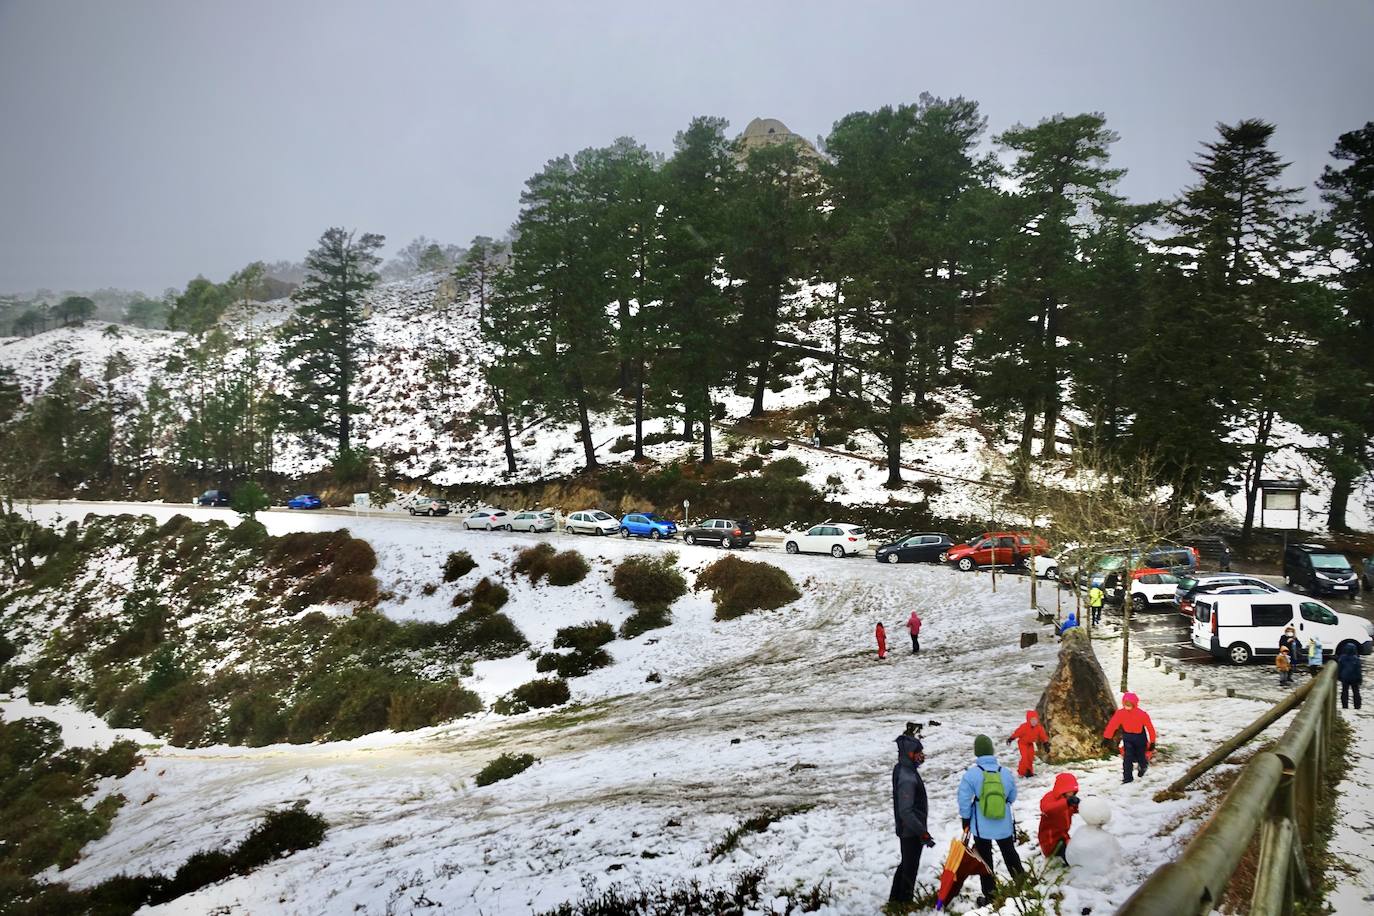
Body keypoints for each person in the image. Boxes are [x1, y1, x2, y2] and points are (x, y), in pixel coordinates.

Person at [957, 734, 1023, 905]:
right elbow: (1012, 796)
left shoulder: (971, 775)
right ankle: (1024, 887)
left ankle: (991, 896)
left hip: (981, 827)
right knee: (1010, 854)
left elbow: (964, 799)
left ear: (977, 752)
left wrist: (966, 819)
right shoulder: (1005, 773)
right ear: (992, 751)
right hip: (1003, 824)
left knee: (985, 861)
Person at [889, 724, 935, 904]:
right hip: (911, 831)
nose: (922, 756)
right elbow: (906, 811)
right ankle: (904, 904)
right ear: (910, 754)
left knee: (905, 864)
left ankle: (895, 901)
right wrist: (921, 832)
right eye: (918, 753)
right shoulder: (907, 778)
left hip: (909, 829)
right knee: (910, 868)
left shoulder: (902, 769)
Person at [1103, 691, 1157, 784]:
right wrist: (1107, 737)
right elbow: (1113, 725)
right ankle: (1127, 778)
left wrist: (1152, 742)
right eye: (1125, 704)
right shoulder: (1120, 713)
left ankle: (1143, 766)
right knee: (1127, 758)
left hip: (1140, 738)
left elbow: (1150, 728)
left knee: (1141, 756)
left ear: (1134, 704)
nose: (1127, 706)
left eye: (1129, 704)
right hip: (1128, 737)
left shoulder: (1142, 714)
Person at [1037, 773, 1081, 862]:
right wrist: (1066, 803)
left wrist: (1085, 804)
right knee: (1070, 857)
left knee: (1075, 851)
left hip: (1063, 836)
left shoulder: (1069, 799)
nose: (1071, 793)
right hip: (1050, 839)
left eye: (1073, 791)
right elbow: (1047, 809)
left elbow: (1075, 809)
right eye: (1069, 790)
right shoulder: (1049, 798)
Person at [1007, 710, 1049, 778]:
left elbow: (1043, 736)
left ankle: (1029, 771)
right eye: (1032, 720)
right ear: (1028, 720)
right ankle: (1023, 772)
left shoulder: (1039, 728)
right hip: (1022, 744)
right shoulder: (1024, 727)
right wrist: (1011, 739)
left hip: (1030, 744)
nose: (1034, 722)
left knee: (1030, 758)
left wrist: (1046, 744)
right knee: (1025, 758)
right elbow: (1017, 733)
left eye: (1035, 720)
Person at [1337, 642, 1362, 710]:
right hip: (1354, 678)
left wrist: (1339, 676)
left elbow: (1339, 668)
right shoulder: (1356, 659)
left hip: (1345, 677)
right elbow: (1358, 670)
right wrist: (1360, 679)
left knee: (1344, 691)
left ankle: (1345, 705)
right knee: (1356, 692)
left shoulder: (1342, 658)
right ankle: (1357, 706)